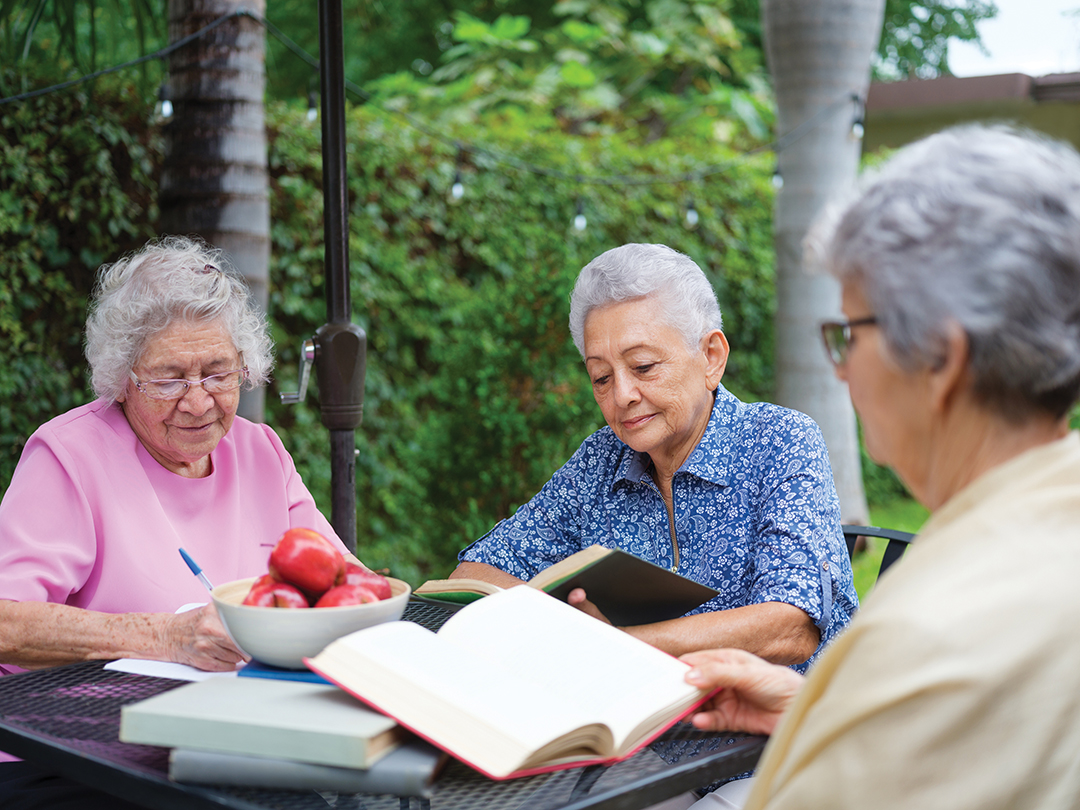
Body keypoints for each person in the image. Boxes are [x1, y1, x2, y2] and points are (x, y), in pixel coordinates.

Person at [681, 124, 1080, 810]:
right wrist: (819, 710)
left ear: (940, 358)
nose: (842, 372)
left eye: (850, 333)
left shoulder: (929, 636)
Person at [0, 237, 361, 804]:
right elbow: (6, 624)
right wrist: (165, 637)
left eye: (218, 373)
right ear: (123, 379)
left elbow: (345, 584)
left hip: (237, 742)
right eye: (169, 379)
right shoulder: (68, 455)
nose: (197, 402)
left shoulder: (261, 450)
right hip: (73, 757)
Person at [452, 243, 857, 672]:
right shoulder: (600, 461)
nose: (622, 396)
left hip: (770, 728)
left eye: (643, 367)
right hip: (638, 726)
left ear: (711, 358)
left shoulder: (780, 440)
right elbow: (476, 575)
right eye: (601, 377)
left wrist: (615, 645)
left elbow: (790, 626)